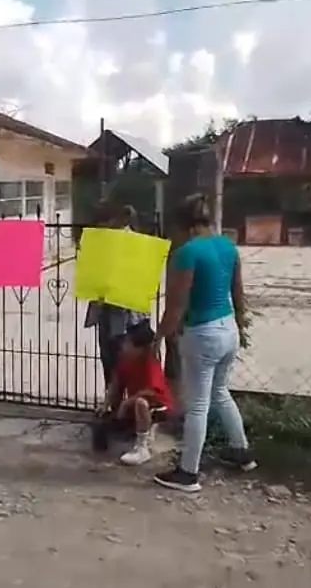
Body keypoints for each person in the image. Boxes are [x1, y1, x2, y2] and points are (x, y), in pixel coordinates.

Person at [152, 193, 255, 493]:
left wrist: (159, 337)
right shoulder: (227, 246)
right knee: (220, 392)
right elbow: (238, 292)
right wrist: (240, 324)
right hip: (228, 329)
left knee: (197, 405)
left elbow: (176, 306)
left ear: (184, 225)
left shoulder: (187, 253)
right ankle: (242, 452)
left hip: (203, 333)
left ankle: (188, 473)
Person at [83, 202, 148, 384]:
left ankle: (123, 401)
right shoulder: (102, 241)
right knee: (110, 356)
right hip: (107, 308)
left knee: (122, 357)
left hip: (126, 310)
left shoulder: (135, 242)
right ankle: (113, 402)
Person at [93, 323, 175, 465]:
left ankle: (142, 447)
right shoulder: (125, 362)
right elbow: (115, 385)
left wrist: (127, 403)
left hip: (158, 407)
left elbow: (152, 392)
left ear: (141, 349)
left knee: (141, 402)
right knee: (106, 426)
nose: (124, 346)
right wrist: (106, 406)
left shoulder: (150, 363)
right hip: (135, 408)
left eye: (128, 343)